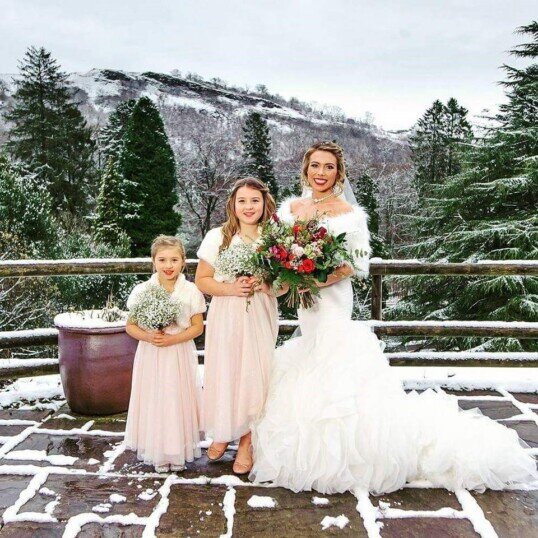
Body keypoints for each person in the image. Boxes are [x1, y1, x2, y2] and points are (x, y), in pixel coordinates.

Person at [250, 142, 537, 494]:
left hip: (333, 300)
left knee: (333, 363)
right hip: (305, 304)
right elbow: (277, 253)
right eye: (315, 166)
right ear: (305, 169)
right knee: (305, 355)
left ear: (339, 174)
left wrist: (310, 277)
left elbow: (353, 265)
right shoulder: (290, 209)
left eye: (328, 167)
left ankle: (347, 457)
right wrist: (284, 277)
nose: (320, 173)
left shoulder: (350, 214)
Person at [195, 177, 284, 474]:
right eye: (242, 201)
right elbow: (202, 280)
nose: (248, 207)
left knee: (254, 374)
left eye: (254, 201)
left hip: (259, 311)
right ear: (232, 204)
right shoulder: (218, 236)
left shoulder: (273, 238)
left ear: (264, 204)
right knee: (226, 371)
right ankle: (223, 430)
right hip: (226, 312)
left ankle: (247, 441)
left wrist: (265, 283)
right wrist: (232, 288)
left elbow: (285, 286)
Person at [125, 235, 206, 472]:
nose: (168, 265)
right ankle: (157, 451)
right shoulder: (143, 290)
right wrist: (149, 336)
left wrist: (173, 339)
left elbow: (197, 327)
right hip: (152, 354)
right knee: (156, 398)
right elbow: (131, 326)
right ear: (153, 262)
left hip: (178, 353)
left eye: (174, 259)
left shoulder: (190, 291)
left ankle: (177, 450)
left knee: (176, 398)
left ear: (183, 262)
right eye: (162, 260)